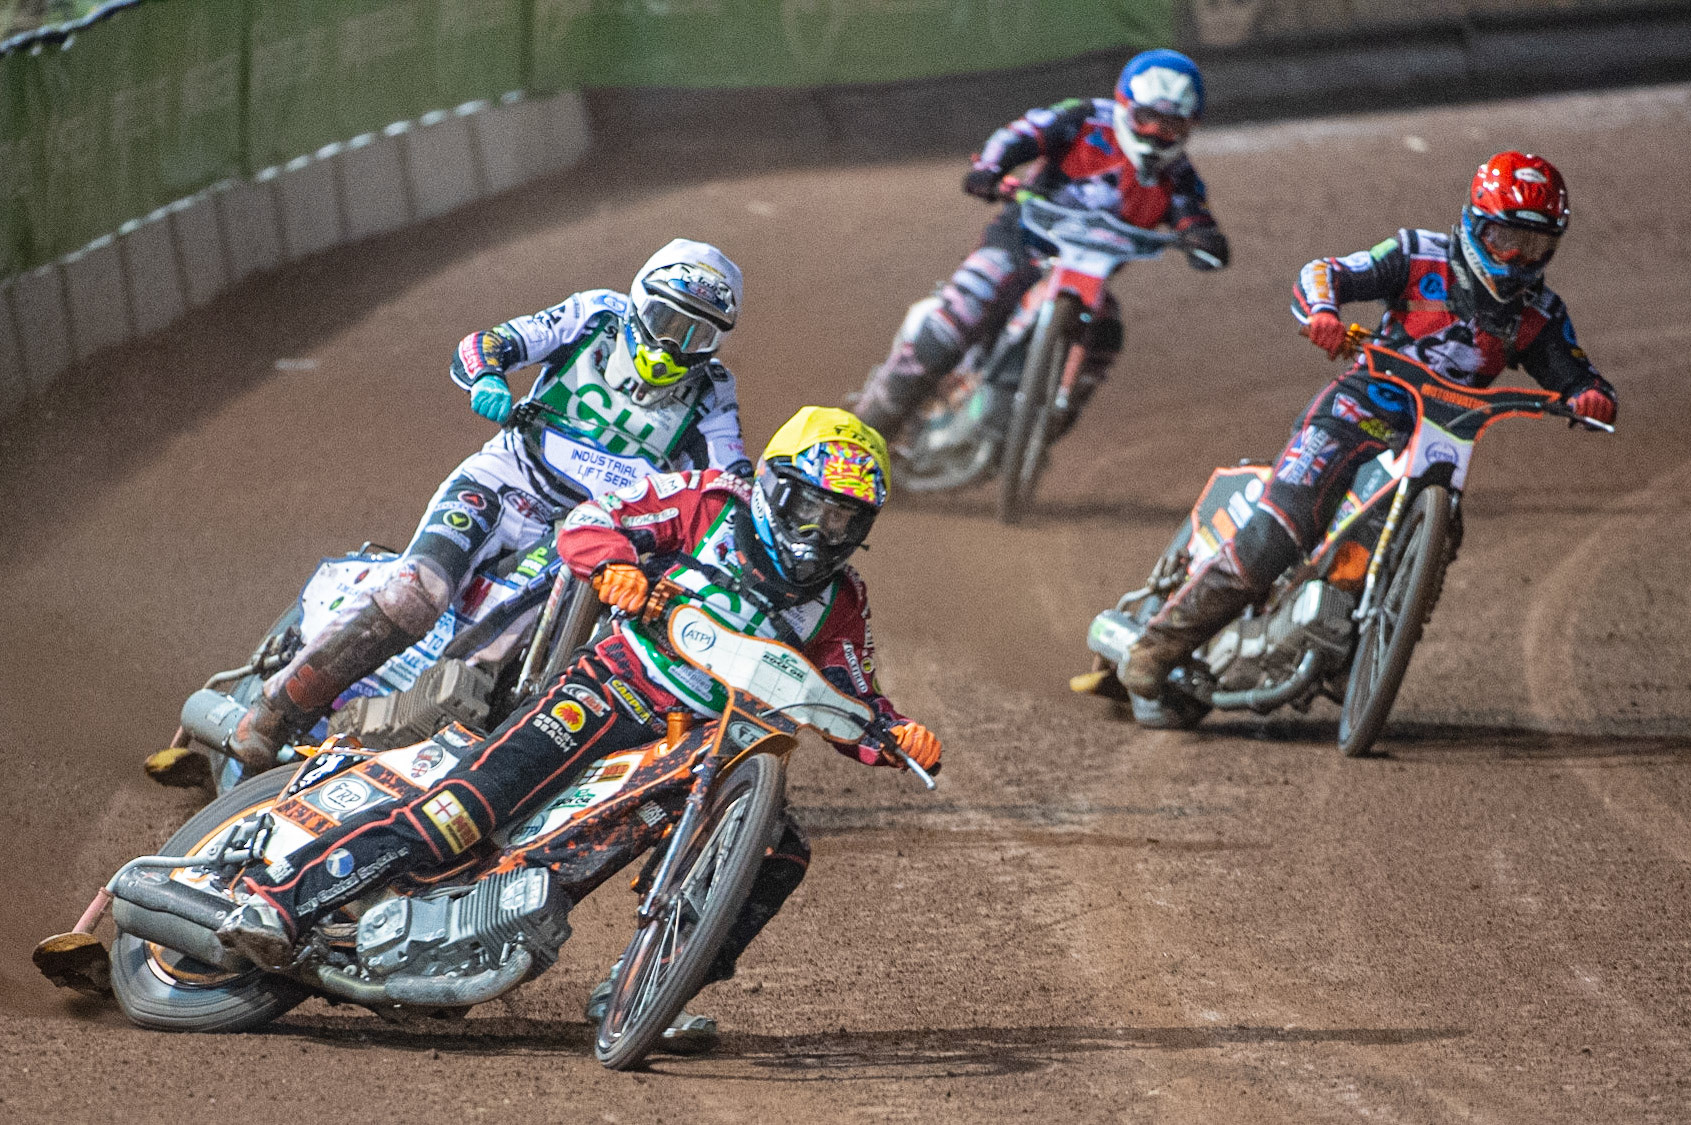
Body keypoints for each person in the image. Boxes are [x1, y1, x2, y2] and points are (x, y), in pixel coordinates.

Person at [217, 407, 944, 1051]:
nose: (823, 532)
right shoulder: (710, 503)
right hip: (616, 687)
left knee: (780, 850)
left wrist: (898, 732)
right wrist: (618, 566)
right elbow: (594, 519)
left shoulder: (840, 601)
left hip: (712, 741)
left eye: (844, 519)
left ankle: (649, 988)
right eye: (811, 507)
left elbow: (852, 697)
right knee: (470, 805)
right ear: (774, 487)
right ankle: (283, 897)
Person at [1119, 151, 1617, 725]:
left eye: (1535, 245)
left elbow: (1577, 374)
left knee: (1444, 534)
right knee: (1285, 525)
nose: (1518, 257)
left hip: (1441, 438)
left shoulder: (1541, 314)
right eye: (1506, 238)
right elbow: (1324, 272)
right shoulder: (1415, 254)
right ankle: (1157, 646)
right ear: (1476, 223)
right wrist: (1324, 312)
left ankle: (1363, 646)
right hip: (1357, 410)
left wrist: (1589, 395)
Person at [223, 239, 752, 767]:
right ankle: (271, 715)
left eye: (695, 334)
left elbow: (732, 486)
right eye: (663, 320)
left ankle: (439, 743)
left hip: (587, 529)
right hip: (505, 481)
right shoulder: (595, 316)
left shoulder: (711, 393)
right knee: (416, 592)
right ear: (638, 301)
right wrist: (488, 377)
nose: (671, 346)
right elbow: (487, 343)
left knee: (500, 654)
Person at [848, 48, 1229, 441]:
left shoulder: (1179, 176)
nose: (1154, 134)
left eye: (1170, 126)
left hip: (1086, 278)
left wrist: (1204, 239)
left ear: (1189, 127)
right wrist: (989, 169)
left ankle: (1044, 430)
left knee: (1107, 335)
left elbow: (1193, 215)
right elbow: (1023, 133)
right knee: (964, 309)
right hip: (1021, 242)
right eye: (1146, 119)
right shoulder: (1083, 120)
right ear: (1124, 107)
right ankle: (866, 429)